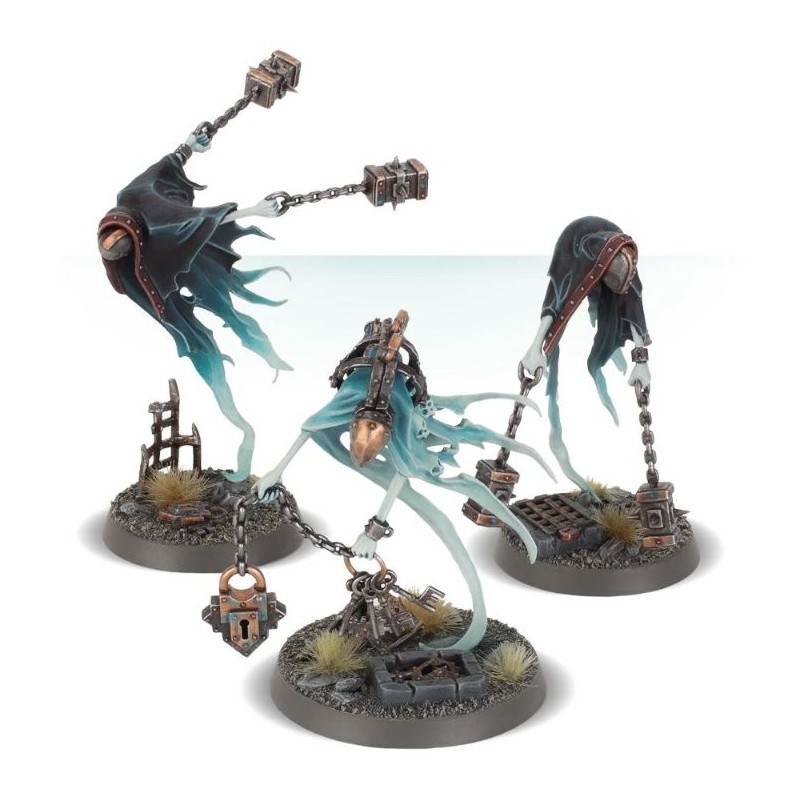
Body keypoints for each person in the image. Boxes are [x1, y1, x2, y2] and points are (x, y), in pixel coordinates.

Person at [255, 311, 554, 651]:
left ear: (388, 433)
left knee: (430, 504)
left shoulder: (401, 419)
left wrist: (373, 531)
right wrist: (276, 472)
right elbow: (309, 428)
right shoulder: (349, 397)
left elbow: (403, 469)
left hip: (398, 397)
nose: (367, 450)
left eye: (376, 441)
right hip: (364, 382)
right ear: (351, 423)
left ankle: (479, 613)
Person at [98, 132, 290, 481]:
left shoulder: (158, 218)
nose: (113, 246)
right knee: (202, 345)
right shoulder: (126, 218)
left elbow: (200, 218)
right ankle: (240, 422)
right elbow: (165, 166)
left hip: (187, 256)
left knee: (225, 307)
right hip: (162, 273)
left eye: (119, 243)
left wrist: (256, 210)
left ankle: (257, 368)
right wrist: (189, 147)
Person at [521, 216, 651, 495]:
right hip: (576, 249)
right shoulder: (570, 251)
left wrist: (641, 362)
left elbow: (633, 305)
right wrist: (535, 348)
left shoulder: (624, 258)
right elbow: (556, 298)